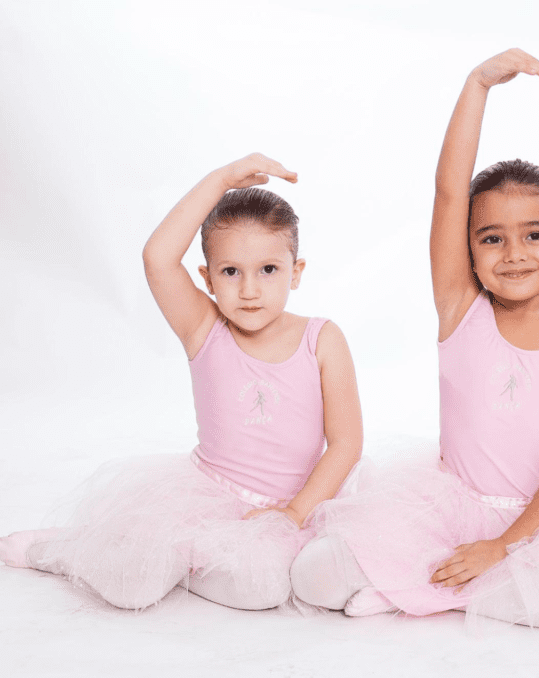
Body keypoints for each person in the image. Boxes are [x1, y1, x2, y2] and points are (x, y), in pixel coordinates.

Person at [289, 48, 539, 628]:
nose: (516, 253)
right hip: (445, 509)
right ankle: (429, 586)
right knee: (313, 575)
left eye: (535, 235)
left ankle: (414, 593)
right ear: (470, 249)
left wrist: (505, 546)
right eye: (493, 238)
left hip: (537, 522)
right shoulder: (460, 308)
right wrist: (477, 85)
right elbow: (450, 192)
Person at [0, 154, 363, 611]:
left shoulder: (322, 339)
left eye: (268, 270)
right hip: (206, 497)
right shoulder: (204, 328)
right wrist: (220, 181)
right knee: (131, 590)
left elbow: (346, 443)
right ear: (208, 278)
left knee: (263, 590)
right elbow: (157, 257)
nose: (249, 289)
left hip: (296, 504)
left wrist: (293, 514)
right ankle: (61, 549)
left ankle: (182, 565)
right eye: (231, 272)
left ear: (297, 271)